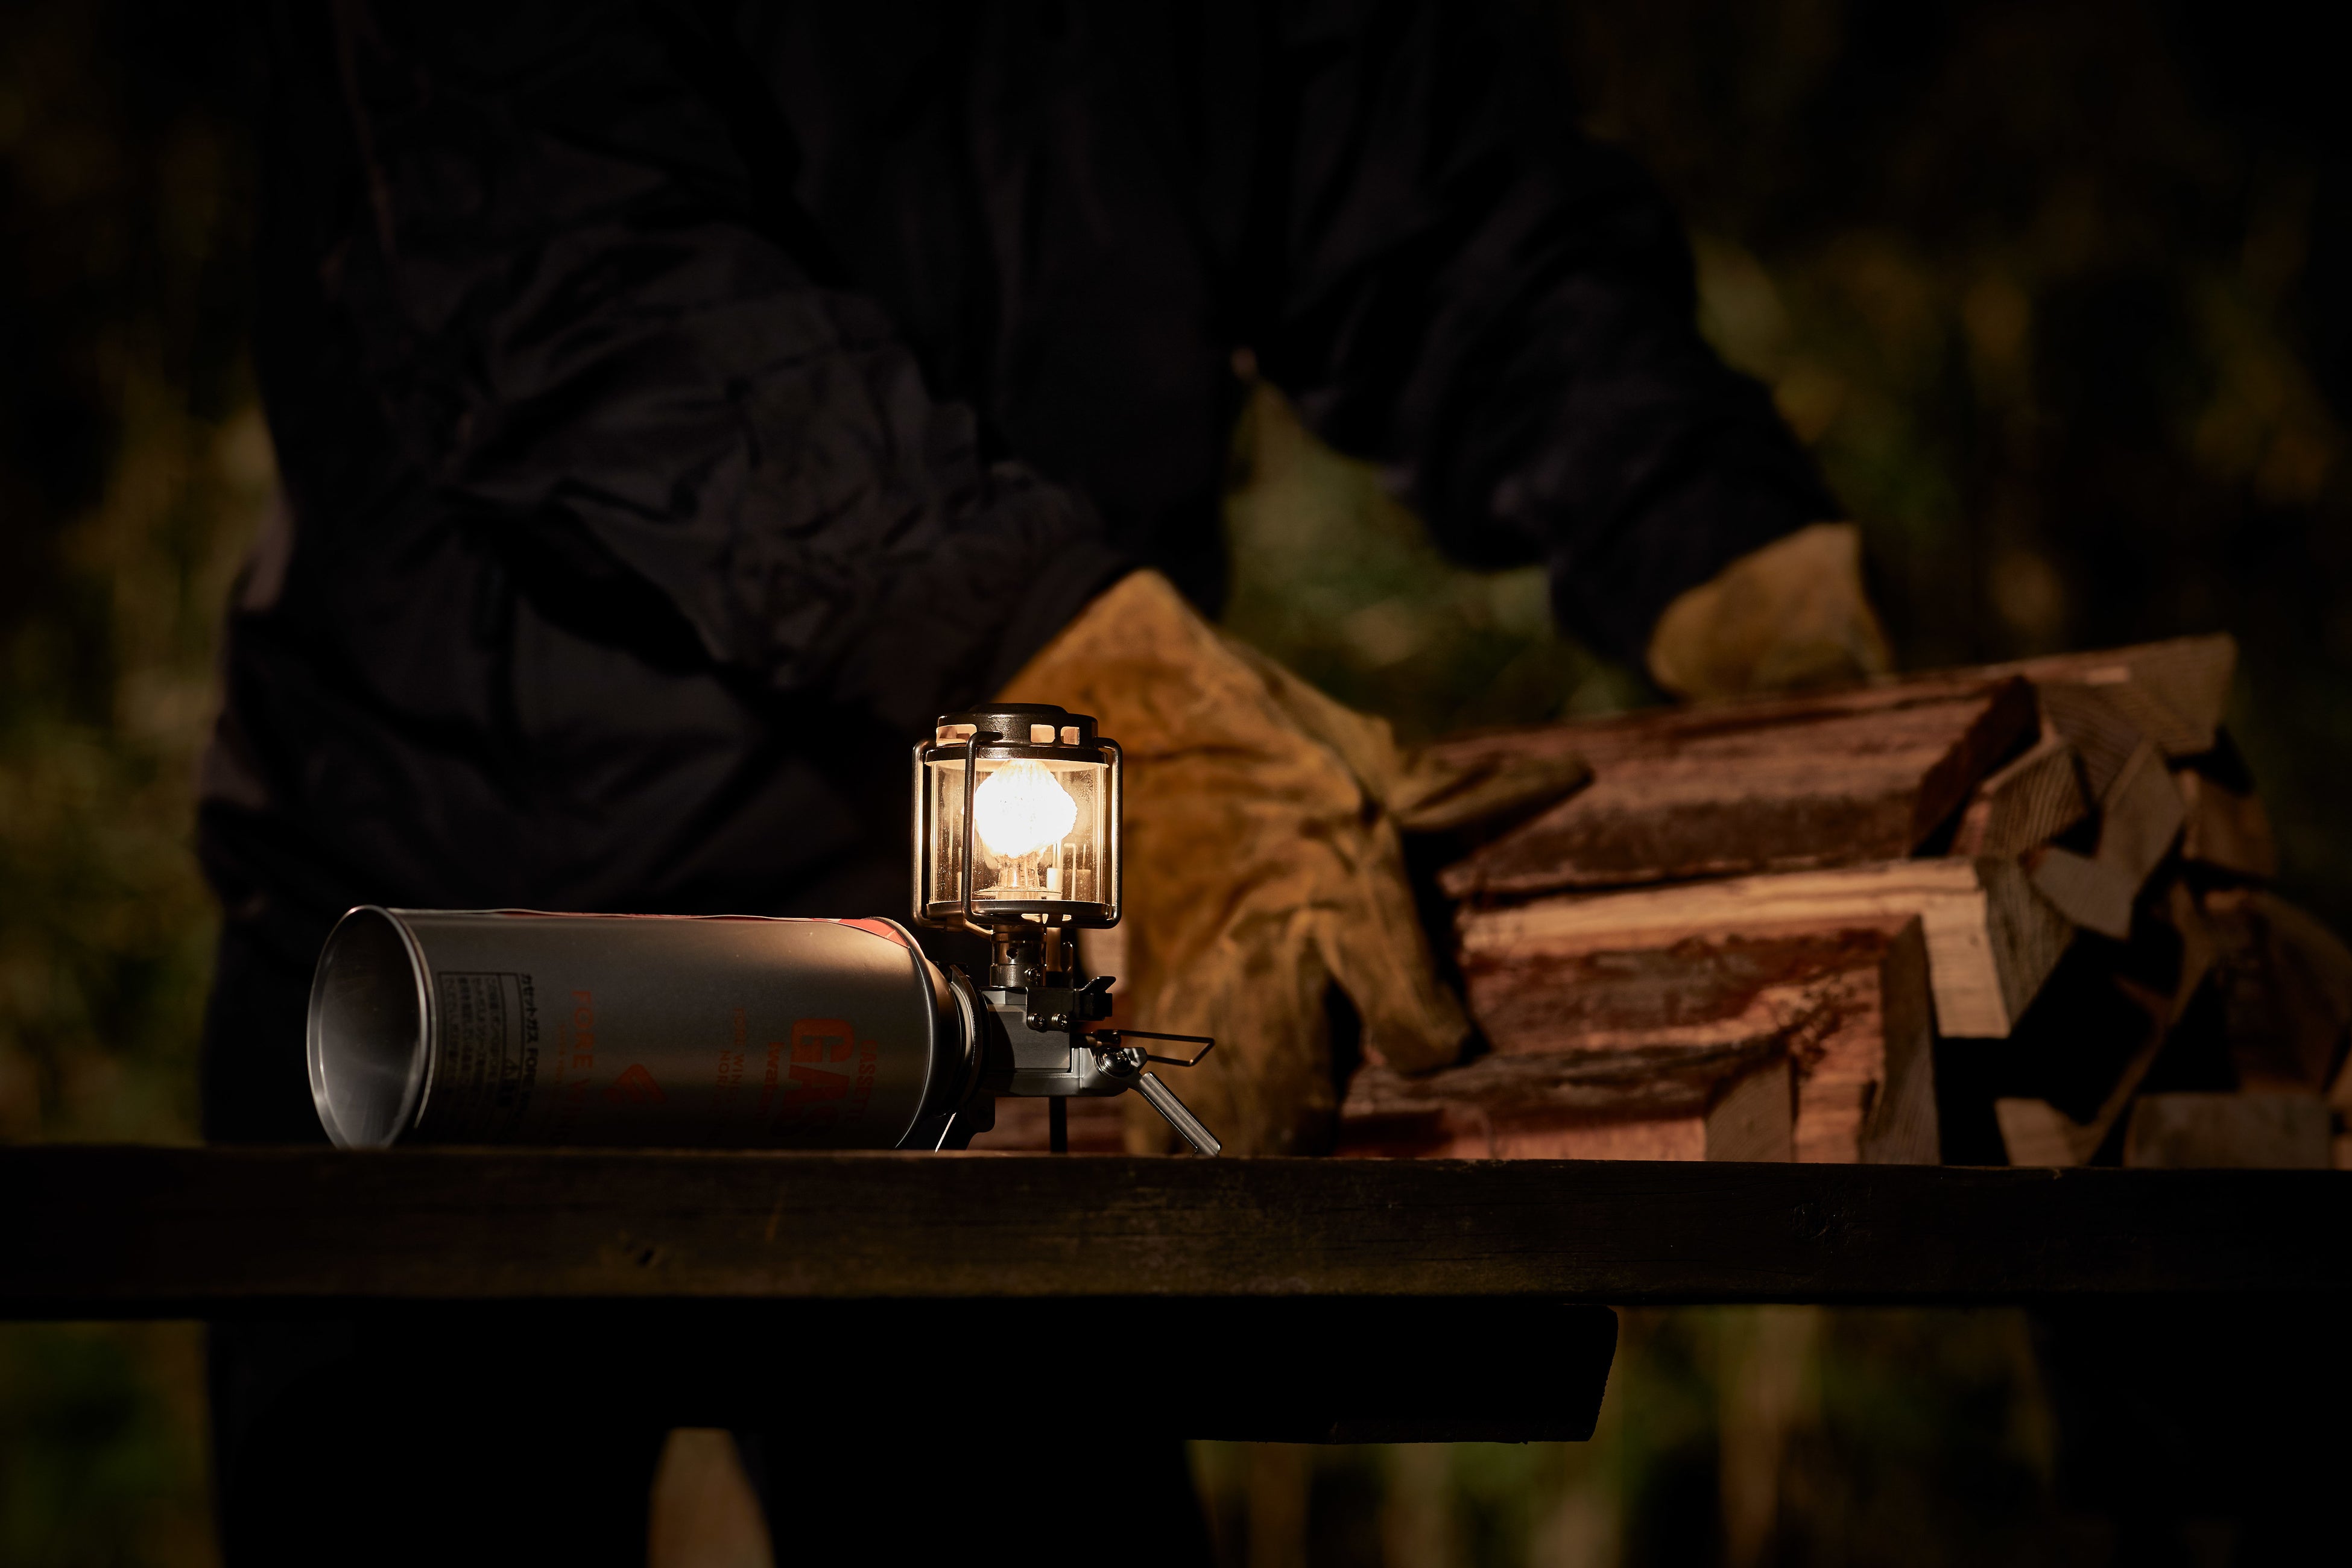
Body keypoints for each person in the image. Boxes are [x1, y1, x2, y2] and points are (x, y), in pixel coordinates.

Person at [200, 2, 1886, 1561]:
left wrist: (1711, 544)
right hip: (459, 965)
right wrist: (1054, 642)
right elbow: (562, 276)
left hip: (962, 1013)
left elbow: (1435, 203)